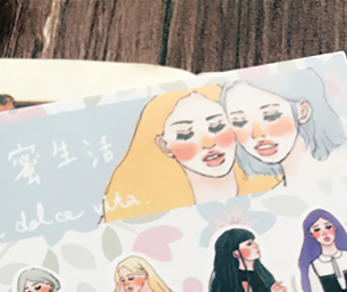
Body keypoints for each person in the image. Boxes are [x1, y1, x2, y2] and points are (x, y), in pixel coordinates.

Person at [103, 85, 281, 222]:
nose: (208, 143)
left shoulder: (274, 187)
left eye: (217, 126)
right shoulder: (139, 213)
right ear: (164, 146)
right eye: (185, 135)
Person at [221, 69, 346, 185]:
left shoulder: (339, 170)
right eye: (239, 122)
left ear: (303, 112)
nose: (257, 134)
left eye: (271, 116)